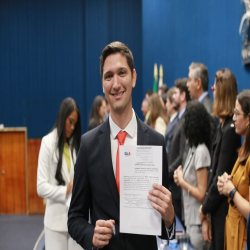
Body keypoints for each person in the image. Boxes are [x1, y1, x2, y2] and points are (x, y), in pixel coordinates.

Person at [68, 41, 175, 250]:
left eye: (122, 73)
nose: (115, 84)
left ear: (133, 77)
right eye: (109, 76)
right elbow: (74, 218)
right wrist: (91, 234)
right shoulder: (88, 145)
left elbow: (164, 222)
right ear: (102, 84)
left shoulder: (155, 141)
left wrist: (170, 216)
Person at [199, 69, 241, 250]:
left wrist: (204, 209)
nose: (212, 90)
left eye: (215, 88)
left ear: (222, 92)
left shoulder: (231, 130)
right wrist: (206, 209)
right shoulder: (222, 125)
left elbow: (220, 175)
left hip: (223, 209)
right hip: (215, 208)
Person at [37, 97, 82, 250]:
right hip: (55, 222)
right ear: (62, 117)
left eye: (75, 123)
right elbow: (40, 187)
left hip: (76, 220)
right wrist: (65, 190)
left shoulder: (74, 146)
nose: (72, 127)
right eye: (70, 121)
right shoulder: (47, 143)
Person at [174, 101, 211, 250]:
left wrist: (181, 181)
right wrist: (179, 174)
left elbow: (202, 193)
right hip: (189, 218)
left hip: (198, 222)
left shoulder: (201, 151)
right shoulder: (193, 148)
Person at [217, 89, 250, 250]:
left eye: (237, 114)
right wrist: (225, 182)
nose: (234, 119)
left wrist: (231, 191)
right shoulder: (243, 149)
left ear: (248, 118)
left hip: (243, 237)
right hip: (232, 232)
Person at [168, 78, 190, 223]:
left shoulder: (186, 119)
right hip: (174, 184)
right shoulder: (178, 120)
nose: (172, 96)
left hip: (178, 185)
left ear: (182, 96)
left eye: (175, 93)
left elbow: (183, 155)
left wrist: (167, 172)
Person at [164, 87, 179, 155]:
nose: (166, 105)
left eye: (167, 101)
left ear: (172, 103)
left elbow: (169, 150)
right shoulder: (172, 122)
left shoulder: (176, 123)